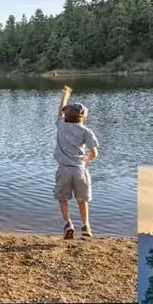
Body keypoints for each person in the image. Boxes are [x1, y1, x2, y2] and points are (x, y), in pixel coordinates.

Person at [53, 85, 99, 240]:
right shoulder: (86, 131)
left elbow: (59, 112)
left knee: (62, 198)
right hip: (80, 170)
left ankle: (67, 224)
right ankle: (86, 226)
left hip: (64, 169)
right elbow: (93, 153)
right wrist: (86, 159)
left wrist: (64, 96)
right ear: (83, 118)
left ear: (65, 116)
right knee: (82, 199)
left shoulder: (61, 126)